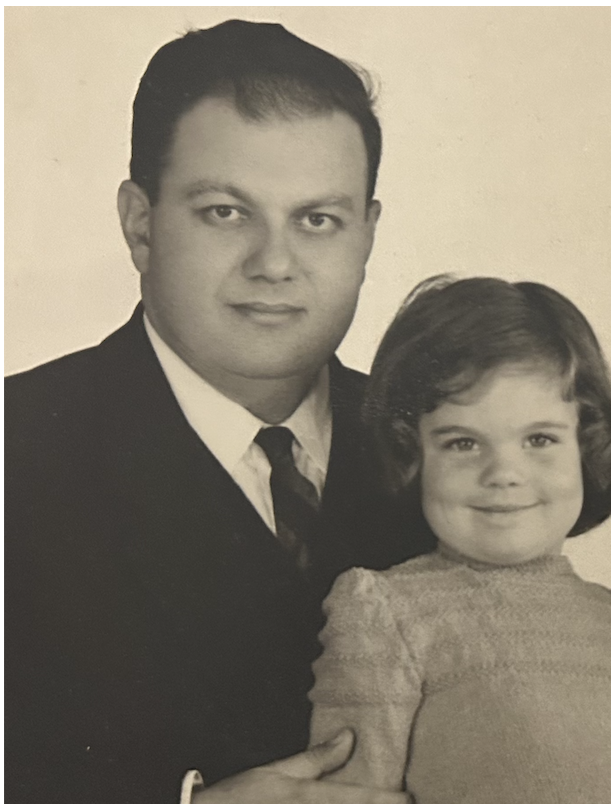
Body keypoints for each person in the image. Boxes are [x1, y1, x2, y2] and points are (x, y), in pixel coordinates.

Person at [5, 20, 432, 804]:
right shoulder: (18, 450)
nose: (275, 264)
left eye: (317, 219)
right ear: (140, 224)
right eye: (226, 212)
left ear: (367, 237)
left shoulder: (446, 447)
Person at [304, 275, 611, 803]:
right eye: (463, 443)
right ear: (412, 457)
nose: (504, 473)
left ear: (587, 445)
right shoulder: (386, 613)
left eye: (540, 439)